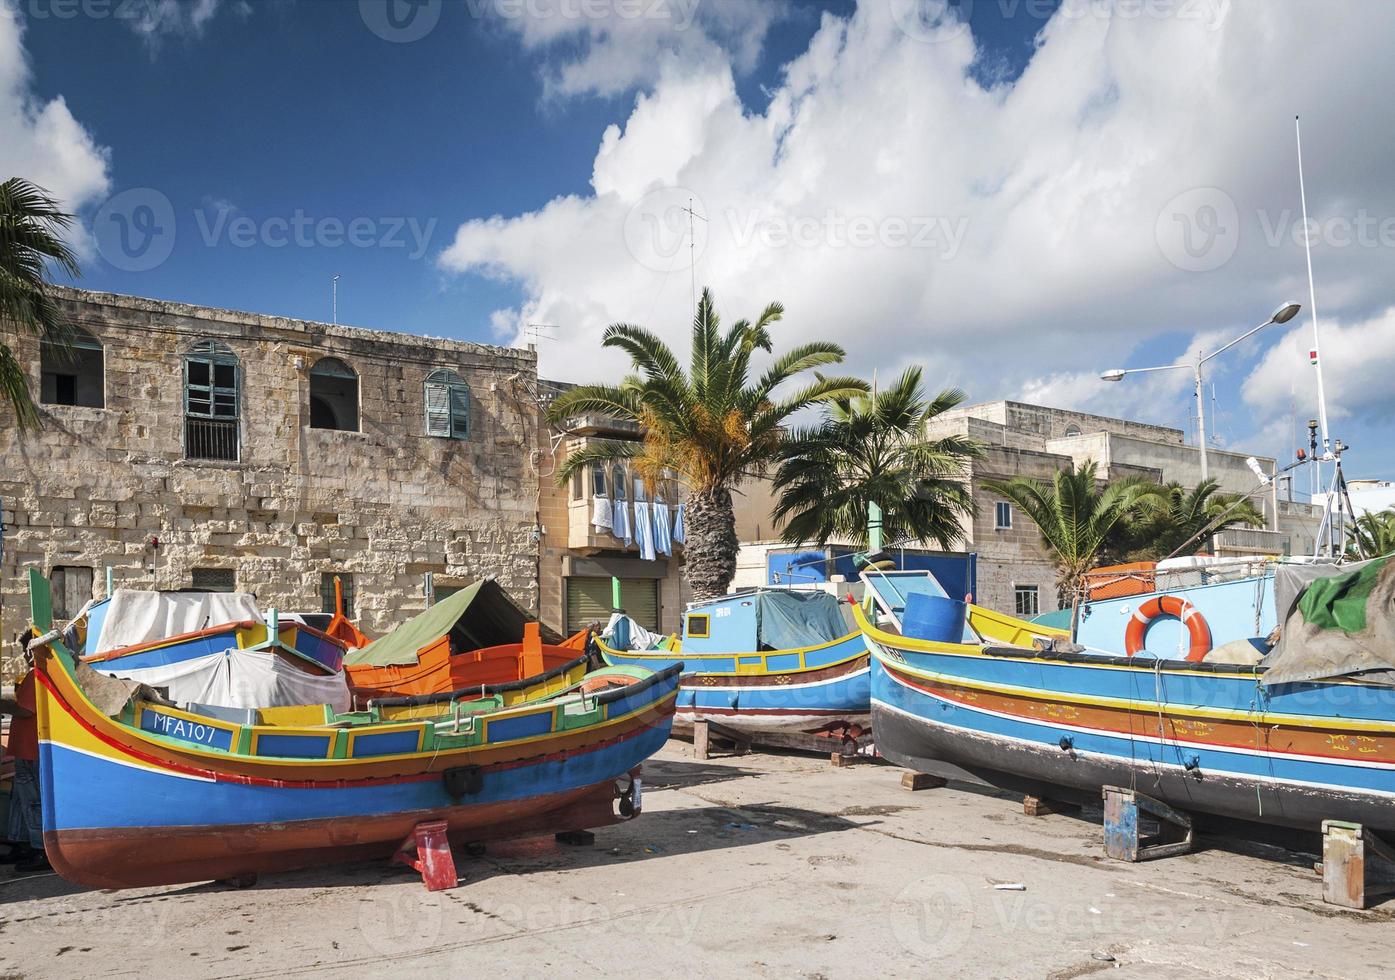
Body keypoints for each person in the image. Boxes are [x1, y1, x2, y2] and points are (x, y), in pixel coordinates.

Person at [2, 667, 49, 873]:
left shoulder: (36, 673)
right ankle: (23, 844)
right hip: (25, 748)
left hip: (30, 750)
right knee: (21, 802)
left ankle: (40, 849)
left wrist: (3, 704)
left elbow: (26, 709)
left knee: (32, 802)